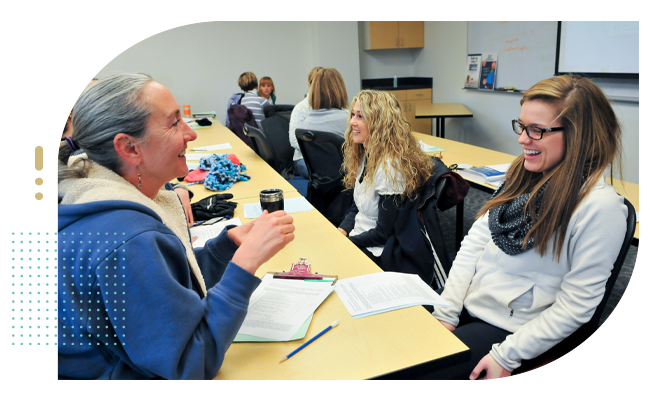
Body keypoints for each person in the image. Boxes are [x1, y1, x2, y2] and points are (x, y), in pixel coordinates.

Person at [56, 73, 295, 380]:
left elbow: (164, 288)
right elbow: (188, 365)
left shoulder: (89, 192)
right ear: (129, 149)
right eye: (173, 123)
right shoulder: (128, 240)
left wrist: (225, 249)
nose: (190, 133)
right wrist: (245, 264)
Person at [431, 75, 627, 380]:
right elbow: (474, 244)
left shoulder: (599, 208)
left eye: (536, 130)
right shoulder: (521, 175)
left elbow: (576, 306)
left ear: (580, 136)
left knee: (414, 372)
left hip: (517, 330)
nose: (523, 139)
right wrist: (446, 311)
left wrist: (505, 356)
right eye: (521, 126)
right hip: (476, 304)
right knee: (398, 347)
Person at [337, 90, 433, 267]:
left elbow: (383, 233)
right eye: (353, 114)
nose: (352, 122)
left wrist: (345, 244)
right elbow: (358, 205)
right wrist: (342, 230)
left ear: (378, 123)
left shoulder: (389, 166)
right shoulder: (367, 153)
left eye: (360, 116)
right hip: (360, 237)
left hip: (378, 250)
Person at [291, 68, 349, 179]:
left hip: (318, 175)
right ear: (340, 90)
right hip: (343, 176)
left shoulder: (307, 124)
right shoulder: (347, 120)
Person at [288, 66, 323, 172]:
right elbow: (294, 140)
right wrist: (318, 153)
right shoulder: (300, 108)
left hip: (327, 157)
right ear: (309, 85)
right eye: (315, 84)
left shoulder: (333, 106)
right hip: (303, 158)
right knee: (325, 171)